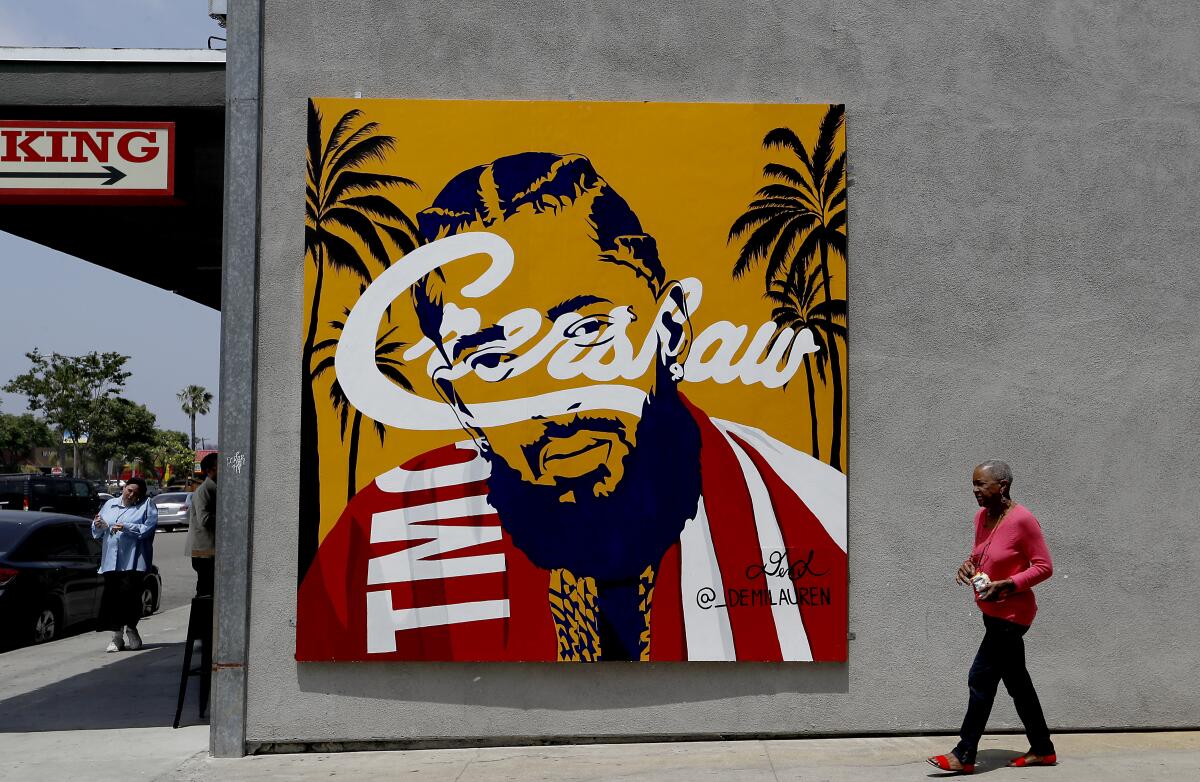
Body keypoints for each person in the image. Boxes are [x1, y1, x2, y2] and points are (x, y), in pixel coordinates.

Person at [298, 152, 847, 662]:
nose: (552, 403)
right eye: (492, 360)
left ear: (672, 328)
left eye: (587, 330)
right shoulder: (378, 543)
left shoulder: (821, 518)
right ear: (456, 399)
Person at [928, 461, 1056, 774]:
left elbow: (1044, 567)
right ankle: (1042, 749)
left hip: (1013, 615)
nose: (975, 491)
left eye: (981, 484)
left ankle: (965, 753)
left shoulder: (1023, 520)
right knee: (1017, 683)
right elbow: (981, 554)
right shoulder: (982, 517)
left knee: (980, 677)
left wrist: (1009, 584)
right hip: (991, 612)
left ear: (1002, 486)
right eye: (973, 484)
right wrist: (968, 565)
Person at [91, 476, 158, 652]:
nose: (131, 495)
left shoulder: (147, 505)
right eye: (129, 490)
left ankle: (132, 629)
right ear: (124, 488)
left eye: (135, 493)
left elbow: (148, 529)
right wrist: (98, 525)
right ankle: (117, 636)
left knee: (130, 596)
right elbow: (97, 532)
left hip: (134, 560)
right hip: (111, 561)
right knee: (113, 598)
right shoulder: (109, 504)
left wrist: (126, 527)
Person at [187, 452, 218, 597]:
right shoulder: (204, 490)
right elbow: (204, 519)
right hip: (204, 551)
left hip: (210, 550)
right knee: (205, 591)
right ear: (210, 470)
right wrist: (229, 519)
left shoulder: (214, 488)